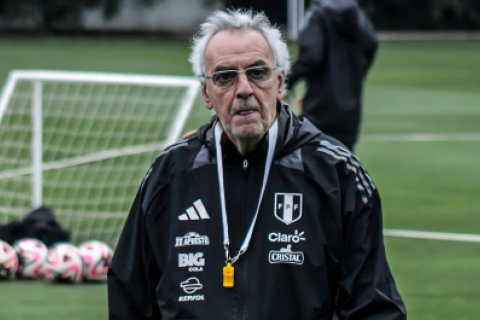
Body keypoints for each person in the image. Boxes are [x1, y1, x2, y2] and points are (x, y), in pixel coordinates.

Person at [107, 9, 406, 320]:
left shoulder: (335, 173)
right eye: (224, 77)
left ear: (279, 83)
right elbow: (130, 299)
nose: (244, 89)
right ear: (207, 93)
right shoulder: (170, 175)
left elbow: (374, 308)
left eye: (257, 72)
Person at [286, 0, 378, 151]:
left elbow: (311, 57)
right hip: (349, 117)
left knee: (310, 167)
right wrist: (353, 80)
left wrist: (286, 82)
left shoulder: (319, 16)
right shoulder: (358, 17)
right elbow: (371, 45)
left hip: (318, 111)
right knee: (343, 168)